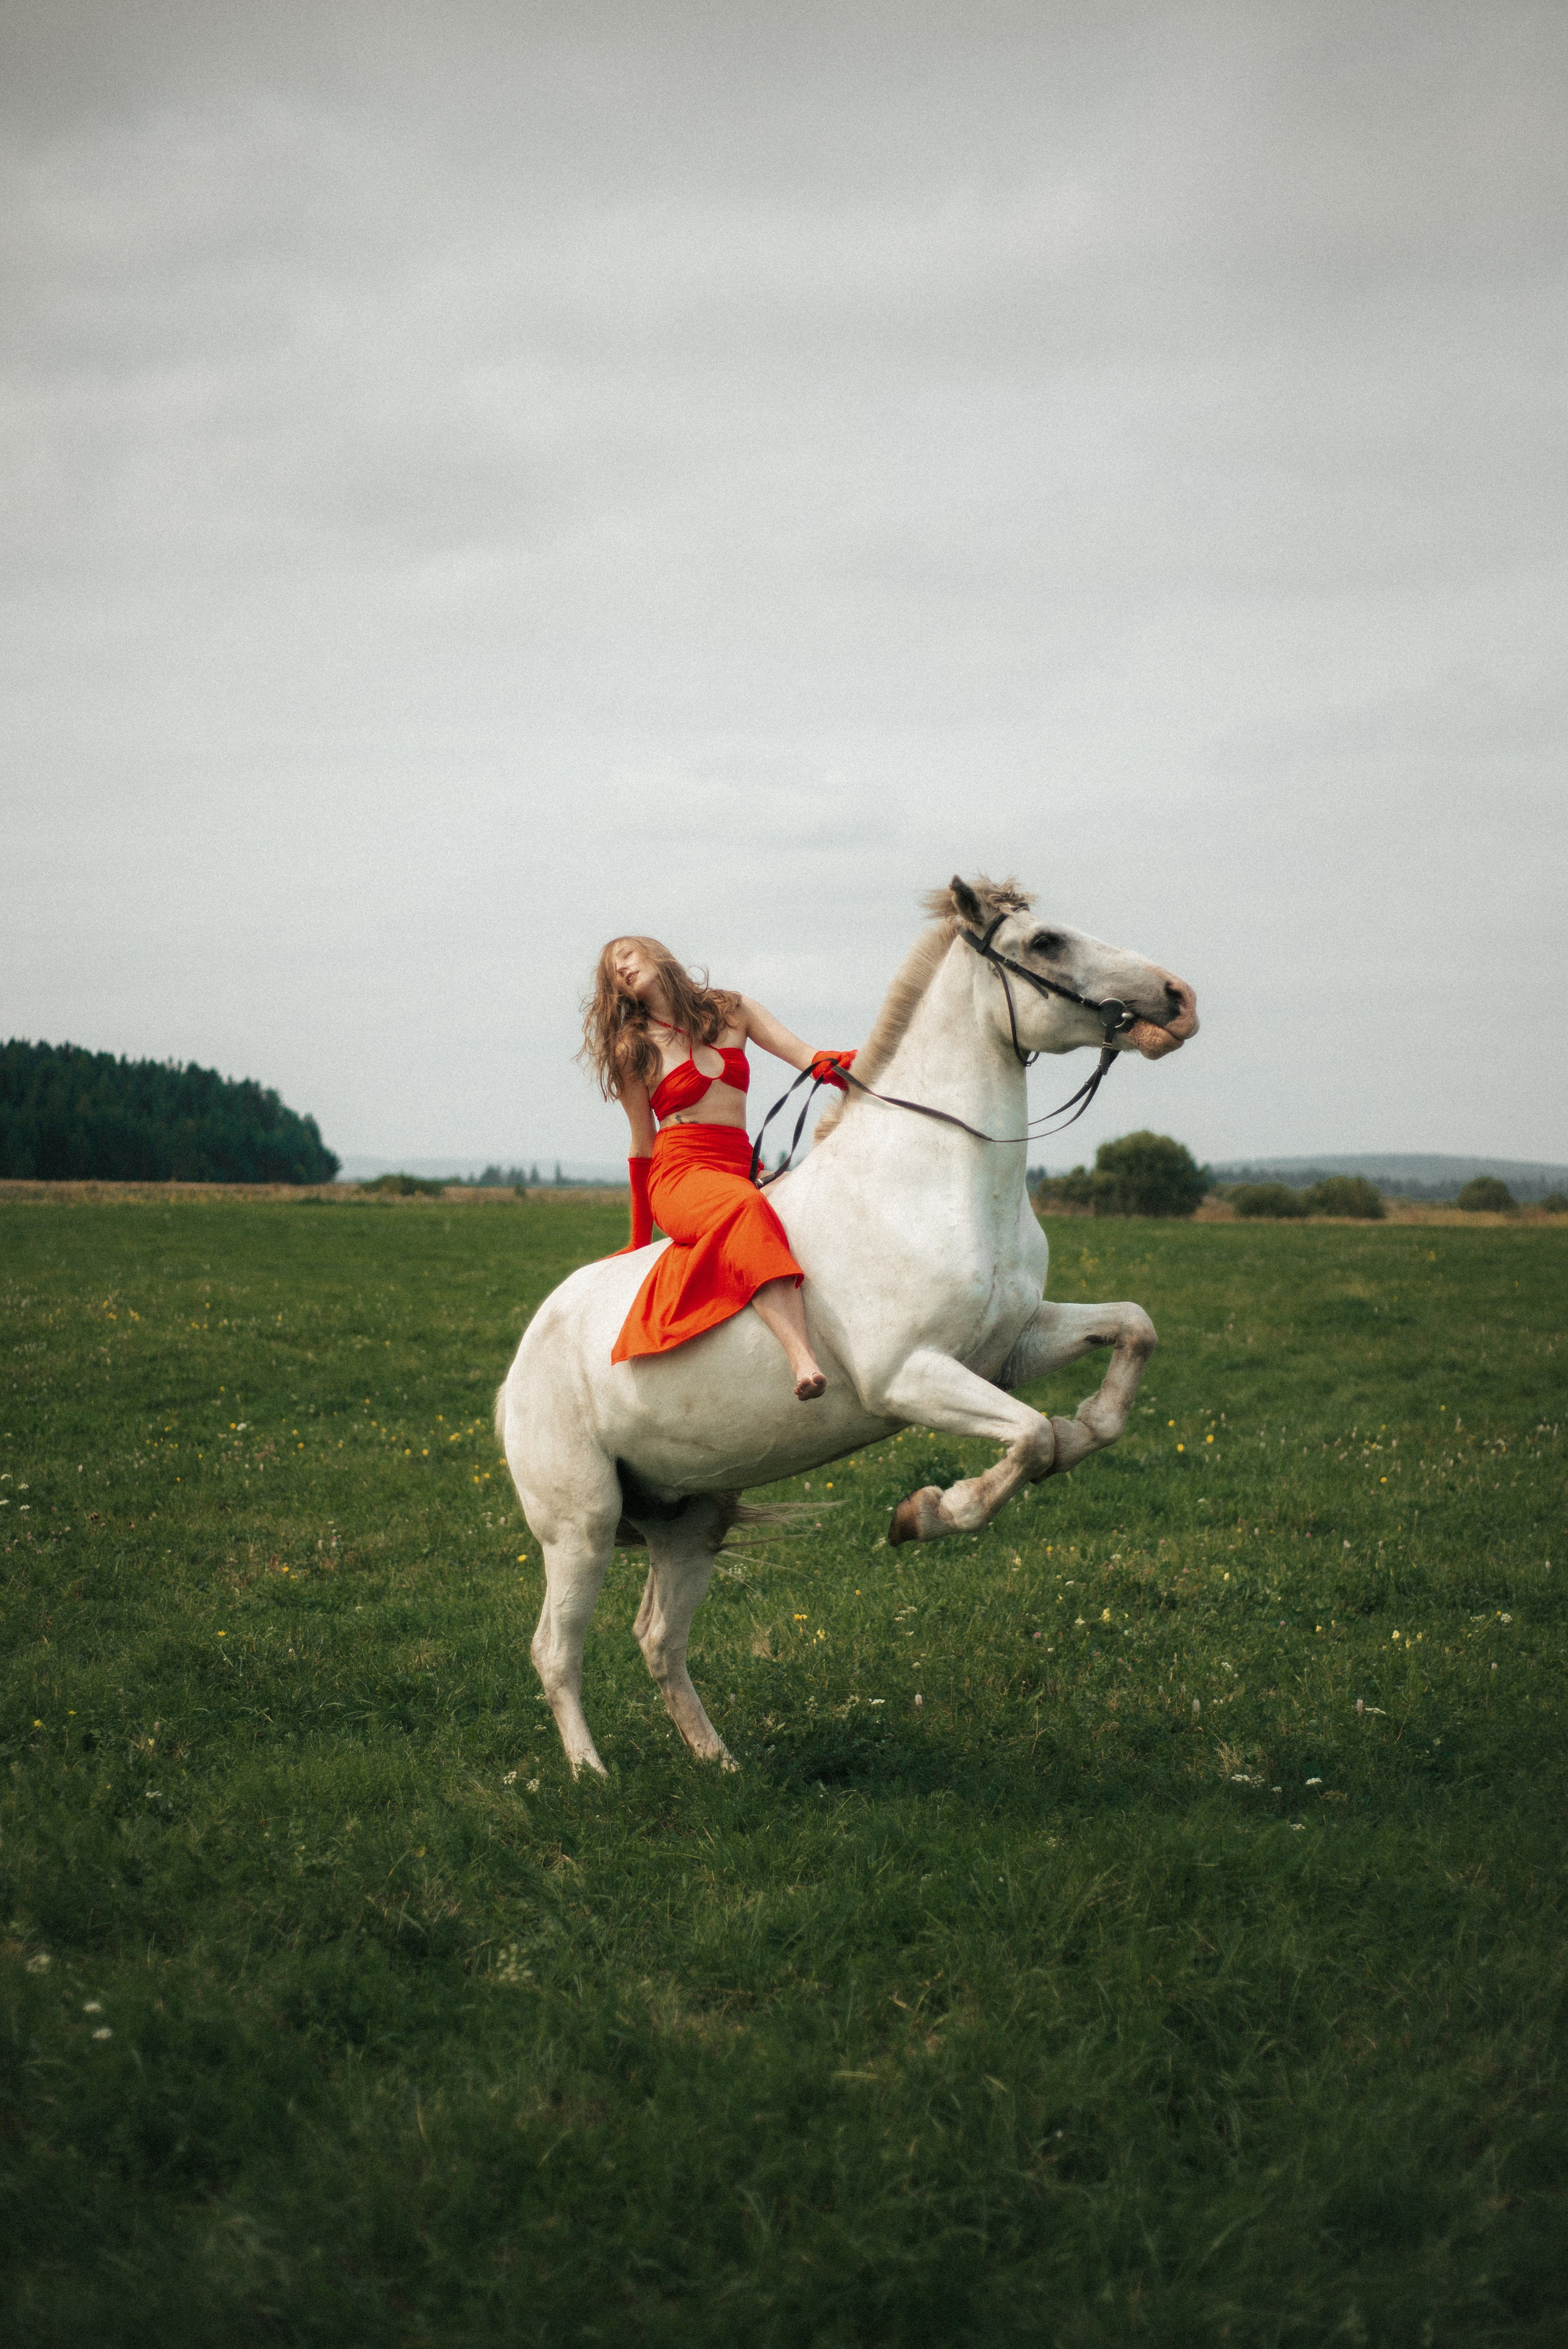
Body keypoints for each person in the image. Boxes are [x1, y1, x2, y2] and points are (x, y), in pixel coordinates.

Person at [579, 936, 855, 1399]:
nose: (621, 969)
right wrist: (638, 1239)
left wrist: (843, 1068)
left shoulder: (732, 1010)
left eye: (626, 955)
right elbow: (642, 1144)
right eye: (613, 973)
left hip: (740, 1163)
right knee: (745, 1206)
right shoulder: (634, 1048)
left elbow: (806, 1056)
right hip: (679, 1174)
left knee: (817, 1195)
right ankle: (803, 1359)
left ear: (654, 952)